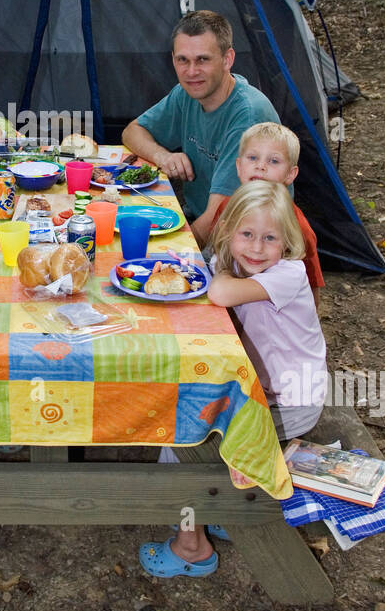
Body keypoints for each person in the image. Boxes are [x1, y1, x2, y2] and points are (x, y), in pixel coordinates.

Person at [139, 181, 326, 579]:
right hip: (263, 387)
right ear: (230, 233)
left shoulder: (288, 273)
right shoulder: (246, 263)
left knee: (183, 430)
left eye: (269, 238)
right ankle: (215, 509)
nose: (257, 248)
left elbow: (219, 292)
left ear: (287, 242)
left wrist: (217, 262)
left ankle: (192, 545)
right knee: (190, 409)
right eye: (247, 234)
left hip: (289, 403)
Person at [121, 11, 279, 248]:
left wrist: (167, 253)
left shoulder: (247, 115)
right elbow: (132, 131)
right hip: (198, 216)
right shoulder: (187, 93)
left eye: (203, 59)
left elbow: (217, 220)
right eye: (182, 60)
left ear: (228, 59)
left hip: (243, 242)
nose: (191, 72)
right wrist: (163, 156)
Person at [207, 122, 324, 306]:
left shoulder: (297, 226)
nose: (260, 166)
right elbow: (219, 255)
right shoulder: (227, 207)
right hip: (236, 306)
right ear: (238, 166)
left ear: (290, 175)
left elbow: (311, 284)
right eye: (252, 157)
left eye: (274, 161)